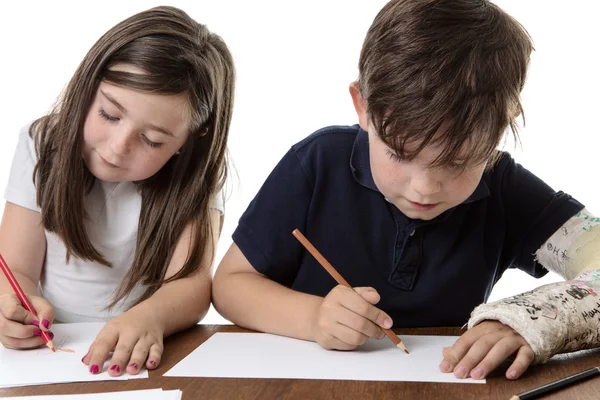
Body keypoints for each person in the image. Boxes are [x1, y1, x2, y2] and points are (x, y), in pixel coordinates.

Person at [212, 0, 600, 381]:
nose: (424, 187)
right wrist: (313, 318)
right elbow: (230, 285)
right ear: (362, 106)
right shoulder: (317, 163)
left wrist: (528, 322)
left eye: (457, 161)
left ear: (500, 129)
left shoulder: (505, 187)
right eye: (399, 153)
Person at [0, 6, 234, 377]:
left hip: (149, 345)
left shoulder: (197, 174)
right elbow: (16, 268)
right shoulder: (41, 144)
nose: (117, 147)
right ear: (87, 87)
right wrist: (15, 304)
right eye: (109, 115)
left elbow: (191, 284)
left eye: (152, 140)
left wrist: (151, 317)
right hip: (52, 348)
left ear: (189, 141)